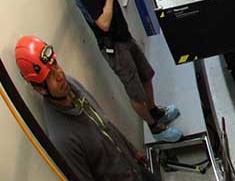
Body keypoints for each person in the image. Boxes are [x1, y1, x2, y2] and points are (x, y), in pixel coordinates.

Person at [71, 0, 181, 142]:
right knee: (136, 93)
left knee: (147, 75)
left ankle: (155, 111)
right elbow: (101, 23)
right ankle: (155, 128)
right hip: (113, 46)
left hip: (124, 36)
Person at [14, 35, 159, 181]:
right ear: (40, 89)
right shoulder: (63, 139)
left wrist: (132, 151)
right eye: (50, 75)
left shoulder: (71, 86)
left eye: (55, 65)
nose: (59, 75)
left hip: (135, 169)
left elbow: (104, 124)